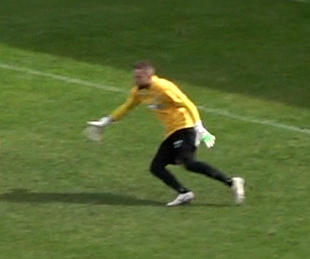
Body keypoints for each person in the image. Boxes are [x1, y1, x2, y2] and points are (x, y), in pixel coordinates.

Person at [87, 61, 245, 207]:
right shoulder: (139, 92)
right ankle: (184, 193)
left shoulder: (164, 87)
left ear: (149, 75)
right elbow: (127, 107)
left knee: (189, 163)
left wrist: (199, 126)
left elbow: (188, 104)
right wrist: (106, 121)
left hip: (185, 127)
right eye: (135, 77)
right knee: (156, 167)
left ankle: (232, 182)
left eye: (139, 77)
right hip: (171, 132)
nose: (136, 80)